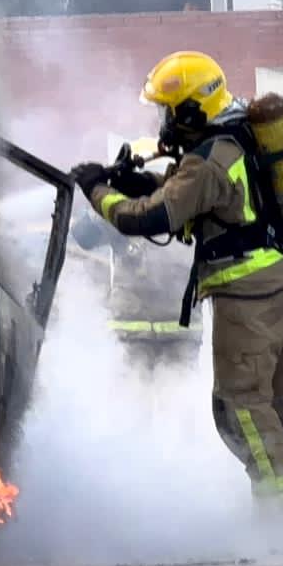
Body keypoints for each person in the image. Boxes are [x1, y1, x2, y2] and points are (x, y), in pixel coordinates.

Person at [70, 51, 283, 515]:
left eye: (167, 111)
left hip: (246, 295)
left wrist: (97, 191)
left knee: (240, 405)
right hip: (279, 281)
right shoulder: (238, 135)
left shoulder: (207, 161)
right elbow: (193, 193)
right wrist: (137, 180)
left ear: (190, 111)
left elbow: (149, 218)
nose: (162, 122)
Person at [71, 136, 205, 387]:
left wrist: (98, 190)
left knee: (172, 409)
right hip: (137, 335)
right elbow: (83, 236)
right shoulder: (179, 206)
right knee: (139, 411)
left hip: (175, 334)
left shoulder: (175, 207)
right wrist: (100, 204)